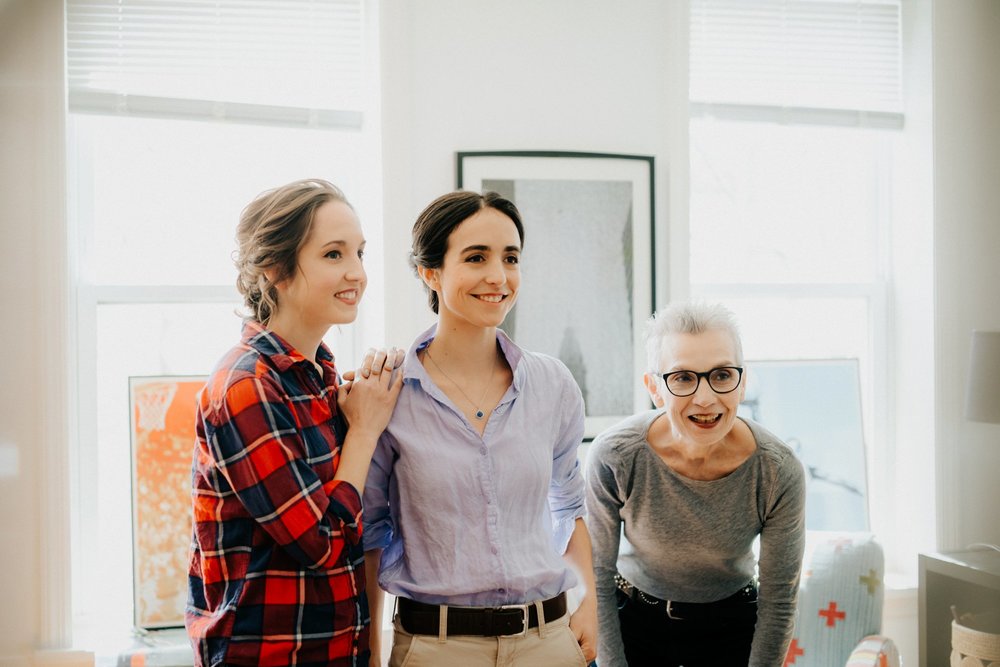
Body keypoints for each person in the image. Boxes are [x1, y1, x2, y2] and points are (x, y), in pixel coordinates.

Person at [361, 190, 598, 667]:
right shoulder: (388, 392)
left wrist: (589, 606)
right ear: (431, 272)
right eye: (476, 257)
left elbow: (569, 504)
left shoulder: (553, 385)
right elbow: (369, 532)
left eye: (510, 258)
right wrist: (370, 648)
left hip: (549, 642)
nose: (498, 276)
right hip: (436, 648)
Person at [186, 179, 404, 667]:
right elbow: (321, 542)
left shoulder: (319, 377)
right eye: (333, 254)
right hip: (264, 656)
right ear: (276, 272)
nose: (357, 272)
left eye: (360, 253)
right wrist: (365, 430)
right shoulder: (246, 386)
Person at [585, 301, 806, 667]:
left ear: (743, 381)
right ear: (655, 388)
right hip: (632, 626)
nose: (705, 399)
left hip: (732, 630)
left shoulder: (777, 469)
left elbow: (780, 597)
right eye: (683, 378)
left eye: (721, 375)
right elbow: (596, 576)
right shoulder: (615, 455)